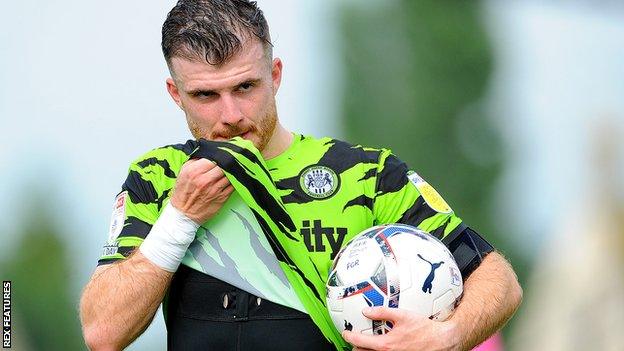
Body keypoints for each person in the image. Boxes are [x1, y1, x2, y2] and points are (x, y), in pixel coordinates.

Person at [79, 1, 522, 350]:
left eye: (245, 87)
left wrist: (446, 338)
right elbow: (102, 332)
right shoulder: (158, 178)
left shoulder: (365, 174)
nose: (231, 115)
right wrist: (178, 220)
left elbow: (497, 277)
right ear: (176, 94)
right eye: (206, 95)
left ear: (275, 75)